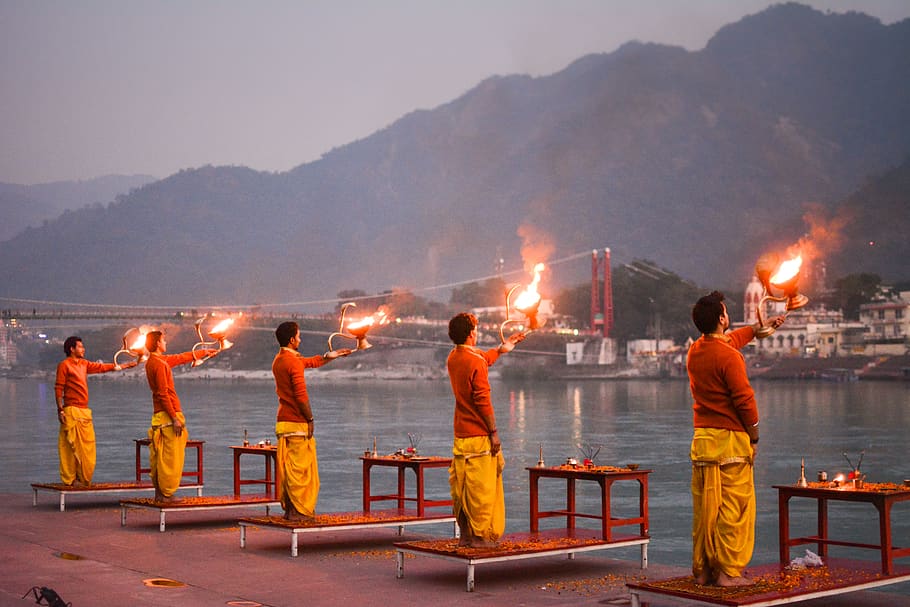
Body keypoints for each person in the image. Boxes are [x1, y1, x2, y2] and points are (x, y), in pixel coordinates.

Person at [687, 291, 783, 587]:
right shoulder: (729, 357)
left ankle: (703, 571)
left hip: (703, 441)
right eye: (726, 312)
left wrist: (757, 329)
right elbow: (745, 401)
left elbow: (730, 340)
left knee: (706, 510)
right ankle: (728, 572)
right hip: (729, 442)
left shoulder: (696, 351)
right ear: (721, 318)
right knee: (733, 508)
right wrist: (754, 436)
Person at [446, 312, 525, 548]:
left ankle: (465, 537)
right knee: (481, 489)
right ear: (472, 333)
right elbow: (483, 401)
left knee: (461, 488)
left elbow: (482, 357)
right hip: (479, 435)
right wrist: (494, 433)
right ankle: (481, 539)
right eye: (476, 329)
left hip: (460, 435)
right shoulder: (475, 361)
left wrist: (501, 349)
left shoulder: (453, 357)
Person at [272, 321, 351, 521]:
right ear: (291, 340)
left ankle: (290, 511)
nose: (300, 339)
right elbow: (301, 397)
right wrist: (310, 419)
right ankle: (300, 512)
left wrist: (328, 357)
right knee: (302, 472)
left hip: (283, 423)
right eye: (298, 336)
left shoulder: (279, 360)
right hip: (297, 422)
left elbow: (309, 362)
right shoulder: (292, 362)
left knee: (289, 471)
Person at [144, 330, 217, 502]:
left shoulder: (153, 362)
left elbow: (179, 358)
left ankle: (159, 494)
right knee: (170, 459)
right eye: (163, 340)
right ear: (157, 344)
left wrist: (202, 352)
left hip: (159, 416)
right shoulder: (160, 365)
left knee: (160, 458)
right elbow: (163, 394)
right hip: (168, 417)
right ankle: (167, 494)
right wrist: (174, 418)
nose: (165, 342)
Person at [54, 336, 136, 486]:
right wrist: (60, 410)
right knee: (70, 447)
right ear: (71, 349)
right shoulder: (64, 365)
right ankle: (71, 480)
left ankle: (82, 478)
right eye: (80, 347)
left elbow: (101, 368)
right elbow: (59, 388)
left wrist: (124, 366)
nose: (83, 349)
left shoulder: (84, 364)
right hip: (71, 410)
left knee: (87, 448)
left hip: (84, 411)